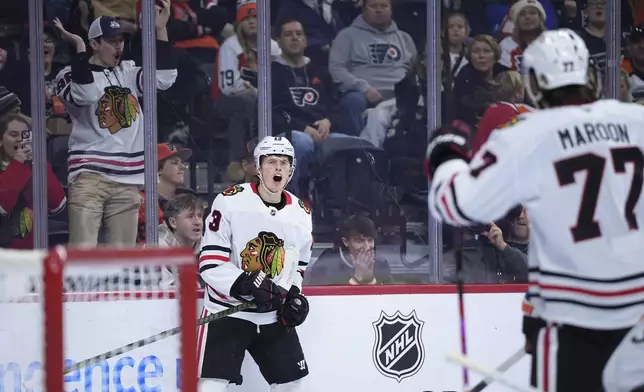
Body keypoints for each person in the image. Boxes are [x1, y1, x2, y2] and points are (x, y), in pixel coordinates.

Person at [424, 28, 644, 392]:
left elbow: (457, 204)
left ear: (535, 82)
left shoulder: (527, 134)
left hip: (571, 322)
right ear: (590, 76)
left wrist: (445, 153)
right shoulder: (637, 122)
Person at [52, 1, 178, 247]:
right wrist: (78, 49)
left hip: (127, 180)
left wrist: (160, 29)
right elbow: (86, 95)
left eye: (120, 40)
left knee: (122, 262)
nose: (118, 45)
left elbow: (165, 78)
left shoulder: (127, 72)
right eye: (111, 41)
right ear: (94, 44)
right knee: (83, 256)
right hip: (90, 178)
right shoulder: (68, 74)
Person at [197, 136, 312, 392]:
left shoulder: (301, 214)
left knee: (292, 385)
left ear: (291, 170)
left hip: (272, 314)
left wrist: (293, 295)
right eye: (271, 161)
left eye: (284, 162)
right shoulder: (229, 201)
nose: (278, 168)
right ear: (258, 168)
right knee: (210, 386)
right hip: (227, 310)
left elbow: (297, 266)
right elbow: (210, 261)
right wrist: (245, 283)